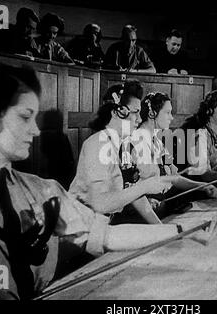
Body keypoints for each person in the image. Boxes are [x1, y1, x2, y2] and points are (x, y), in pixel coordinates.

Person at [0, 64, 217, 300]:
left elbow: (108, 233)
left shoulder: (42, 189)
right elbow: (103, 204)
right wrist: (148, 193)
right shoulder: (99, 144)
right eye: (25, 117)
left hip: (74, 244)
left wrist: (176, 231)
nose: (35, 130)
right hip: (72, 249)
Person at [69, 81, 171, 224]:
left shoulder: (123, 145)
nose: (140, 119)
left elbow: (135, 193)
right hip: (80, 224)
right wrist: (145, 186)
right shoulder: (97, 144)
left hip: (103, 223)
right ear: (116, 112)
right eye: (135, 112)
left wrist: (160, 227)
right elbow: (100, 204)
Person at [133, 92, 217, 216]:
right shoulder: (138, 140)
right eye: (167, 112)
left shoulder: (157, 139)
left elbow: (173, 178)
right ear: (152, 113)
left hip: (163, 202)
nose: (172, 118)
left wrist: (203, 186)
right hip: (147, 210)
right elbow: (134, 188)